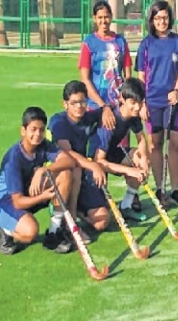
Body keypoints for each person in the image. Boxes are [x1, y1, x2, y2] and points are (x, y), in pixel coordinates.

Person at [0, 107, 76, 255]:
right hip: (7, 202)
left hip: (28, 191)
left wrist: (43, 170)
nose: (38, 134)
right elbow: (18, 202)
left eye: (41, 130)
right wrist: (43, 197)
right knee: (30, 233)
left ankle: (54, 232)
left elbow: (68, 161)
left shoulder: (43, 145)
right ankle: (4, 230)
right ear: (23, 130)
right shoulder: (13, 158)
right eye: (33, 129)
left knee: (65, 173)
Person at [136, 0, 178, 207]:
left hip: (173, 101)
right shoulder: (146, 44)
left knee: (175, 143)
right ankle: (160, 188)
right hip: (152, 101)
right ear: (152, 20)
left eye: (165, 17)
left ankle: (175, 189)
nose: (162, 21)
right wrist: (142, 103)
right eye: (158, 18)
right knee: (156, 144)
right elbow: (141, 76)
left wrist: (176, 90)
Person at [48, 81, 112, 243]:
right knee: (74, 167)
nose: (79, 106)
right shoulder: (58, 122)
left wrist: (105, 109)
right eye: (74, 103)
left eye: (83, 101)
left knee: (102, 221)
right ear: (65, 104)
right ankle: (69, 221)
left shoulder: (87, 117)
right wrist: (93, 165)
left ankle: (77, 212)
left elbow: (107, 110)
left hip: (80, 179)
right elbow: (68, 153)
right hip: (59, 178)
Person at [88, 78, 150, 222]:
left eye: (140, 103)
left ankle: (126, 206)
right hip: (93, 163)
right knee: (102, 219)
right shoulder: (110, 121)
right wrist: (130, 171)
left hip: (110, 154)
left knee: (140, 157)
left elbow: (141, 138)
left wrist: (144, 159)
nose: (137, 107)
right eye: (133, 103)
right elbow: (99, 161)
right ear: (122, 98)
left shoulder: (133, 116)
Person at [77, 1, 121, 127]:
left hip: (117, 104)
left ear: (111, 17)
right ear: (94, 18)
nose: (103, 21)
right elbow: (85, 79)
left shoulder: (120, 41)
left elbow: (127, 76)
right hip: (95, 106)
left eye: (106, 17)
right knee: (97, 139)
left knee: (120, 139)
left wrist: (124, 100)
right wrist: (103, 105)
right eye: (100, 17)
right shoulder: (89, 43)